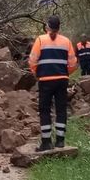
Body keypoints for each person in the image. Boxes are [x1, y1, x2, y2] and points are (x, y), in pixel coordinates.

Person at [28, 15, 78, 151]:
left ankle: (46, 142)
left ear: (47, 27)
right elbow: (73, 63)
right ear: (59, 27)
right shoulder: (66, 42)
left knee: (45, 110)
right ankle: (60, 141)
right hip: (62, 80)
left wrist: (37, 73)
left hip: (45, 81)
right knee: (61, 109)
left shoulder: (40, 40)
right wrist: (65, 73)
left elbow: (32, 61)